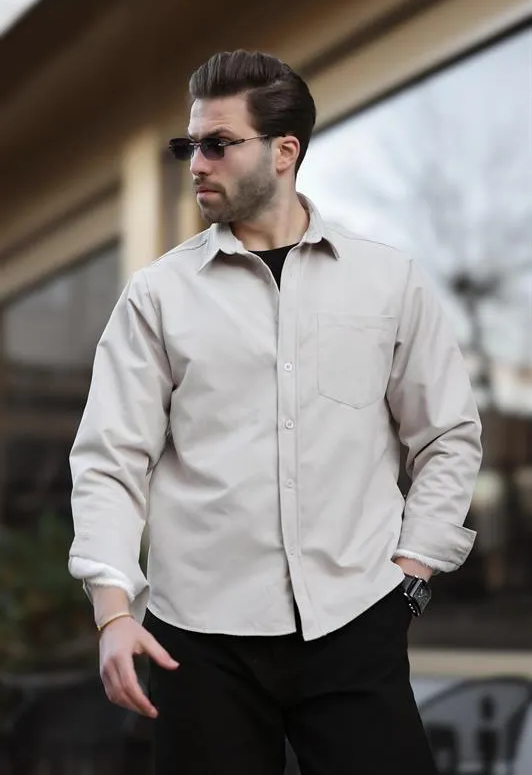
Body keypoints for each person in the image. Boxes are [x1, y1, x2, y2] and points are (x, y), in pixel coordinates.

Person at [68, 49, 482, 775]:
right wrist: (113, 610)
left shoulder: (388, 281)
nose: (197, 163)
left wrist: (412, 573)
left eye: (218, 144)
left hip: (355, 621)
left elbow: (447, 437)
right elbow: (111, 459)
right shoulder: (157, 296)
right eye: (189, 146)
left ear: (284, 151)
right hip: (199, 642)